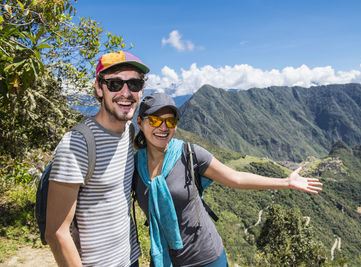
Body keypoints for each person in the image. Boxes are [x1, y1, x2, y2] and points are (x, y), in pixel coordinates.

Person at [133, 93, 323, 267]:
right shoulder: (133, 167)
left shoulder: (189, 154)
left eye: (170, 121)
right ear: (140, 123)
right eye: (156, 120)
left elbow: (236, 178)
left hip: (205, 258)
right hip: (163, 260)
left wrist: (285, 182)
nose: (163, 127)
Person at [45, 51, 150, 267]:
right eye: (114, 84)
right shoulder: (77, 144)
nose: (126, 92)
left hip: (130, 259)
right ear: (99, 88)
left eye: (134, 84)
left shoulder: (128, 131)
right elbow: (56, 233)